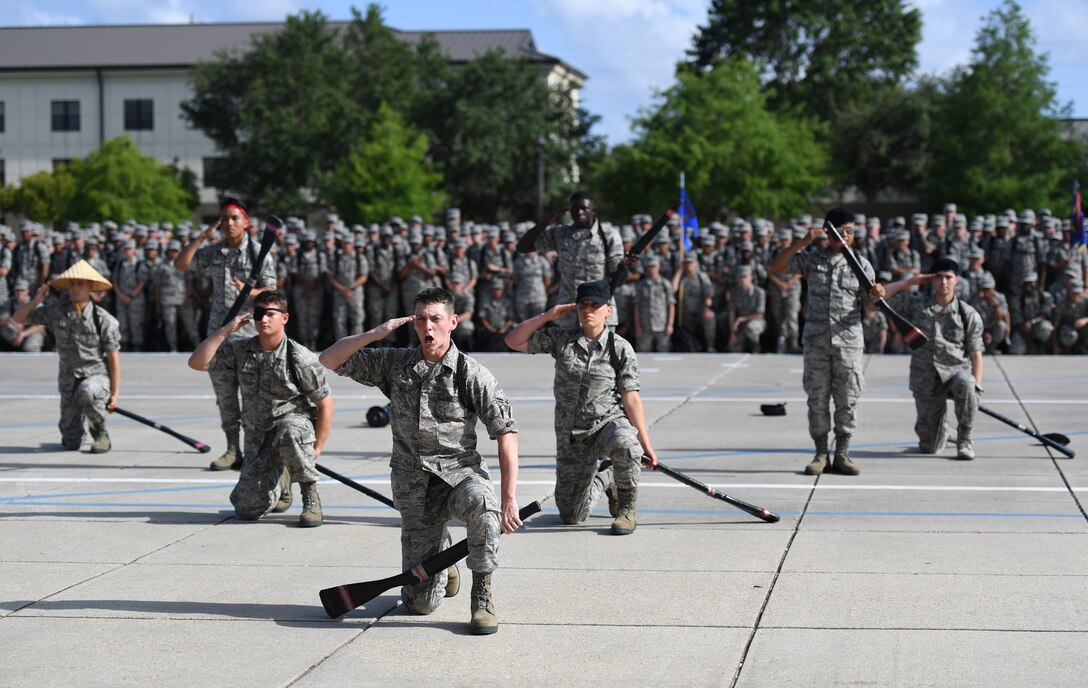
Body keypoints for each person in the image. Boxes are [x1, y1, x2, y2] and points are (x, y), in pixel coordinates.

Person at [319, 287, 521, 635]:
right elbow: (329, 359)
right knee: (421, 605)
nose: (428, 327)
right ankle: (441, 558)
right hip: (416, 491)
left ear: (452, 322)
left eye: (436, 319)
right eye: (421, 319)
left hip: (460, 477)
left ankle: (482, 596)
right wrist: (375, 334)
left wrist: (508, 497)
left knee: (484, 506)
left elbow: (506, 434)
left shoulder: (471, 374)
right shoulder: (396, 364)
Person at [504, 280, 659, 536]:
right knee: (571, 515)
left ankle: (627, 510)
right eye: (583, 305)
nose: (588, 310)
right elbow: (513, 340)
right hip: (572, 436)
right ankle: (605, 478)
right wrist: (547, 316)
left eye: (595, 305)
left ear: (607, 310)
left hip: (607, 424)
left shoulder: (619, 348)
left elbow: (631, 397)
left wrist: (645, 442)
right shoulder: (561, 340)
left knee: (627, 445)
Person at [188, 290, 332, 526]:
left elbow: (325, 404)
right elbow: (198, 362)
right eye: (258, 313)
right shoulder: (240, 349)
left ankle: (310, 496)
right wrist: (226, 330)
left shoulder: (300, 357)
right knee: (247, 508)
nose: (263, 319)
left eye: (270, 314)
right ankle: (281, 479)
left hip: (293, 429)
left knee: (290, 429)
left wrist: (317, 447)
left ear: (284, 318)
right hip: (258, 436)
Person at [769, 207, 885, 476]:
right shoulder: (812, 260)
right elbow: (777, 267)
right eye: (839, 231)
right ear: (827, 233)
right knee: (817, 399)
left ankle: (842, 453)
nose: (845, 236)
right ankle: (821, 453)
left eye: (850, 231)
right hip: (817, 342)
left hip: (849, 343)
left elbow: (870, 304)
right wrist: (803, 242)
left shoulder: (861, 264)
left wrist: (877, 294)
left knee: (847, 399)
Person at [174, 198, 276, 471]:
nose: (229, 223)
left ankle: (253, 451)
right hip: (219, 336)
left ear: (245, 222)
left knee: (251, 396)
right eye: (224, 219)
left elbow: (272, 294)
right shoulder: (214, 251)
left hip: (250, 336)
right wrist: (202, 237)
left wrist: (249, 290)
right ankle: (233, 449)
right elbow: (181, 264)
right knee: (225, 395)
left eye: (234, 218)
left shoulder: (258, 253)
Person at [13, 260, 120, 453]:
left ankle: (100, 432)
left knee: (87, 391)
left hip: (97, 379)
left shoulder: (103, 319)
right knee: (71, 443)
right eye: (72, 283)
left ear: (90, 286)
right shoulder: (57, 311)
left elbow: (113, 359)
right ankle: (73, 429)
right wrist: (36, 300)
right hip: (68, 380)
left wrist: (114, 394)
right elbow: (19, 319)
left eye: (79, 283)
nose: (74, 288)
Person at [883, 258, 984, 460]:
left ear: (956, 280)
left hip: (955, 372)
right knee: (929, 447)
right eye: (938, 277)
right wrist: (909, 282)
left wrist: (977, 388)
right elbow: (878, 297)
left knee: (967, 383)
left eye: (948, 277)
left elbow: (975, 354)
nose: (943, 282)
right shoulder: (917, 305)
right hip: (925, 377)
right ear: (931, 279)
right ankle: (943, 431)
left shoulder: (967, 314)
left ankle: (965, 440)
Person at [516, 191, 624, 328]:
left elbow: (619, 279)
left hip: (598, 314)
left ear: (593, 210)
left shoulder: (608, 235)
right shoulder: (560, 233)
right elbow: (523, 247)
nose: (579, 212)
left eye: (584, 208)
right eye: (575, 209)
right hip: (568, 314)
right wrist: (547, 221)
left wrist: (625, 266)